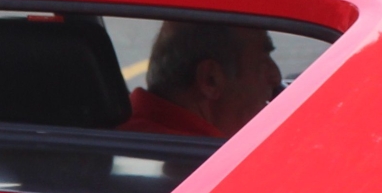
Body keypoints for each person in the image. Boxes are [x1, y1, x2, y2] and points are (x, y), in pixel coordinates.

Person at [120, 21, 281, 138]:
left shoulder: (125, 128)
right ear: (210, 80)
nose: (276, 77)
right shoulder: (204, 162)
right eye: (262, 62)